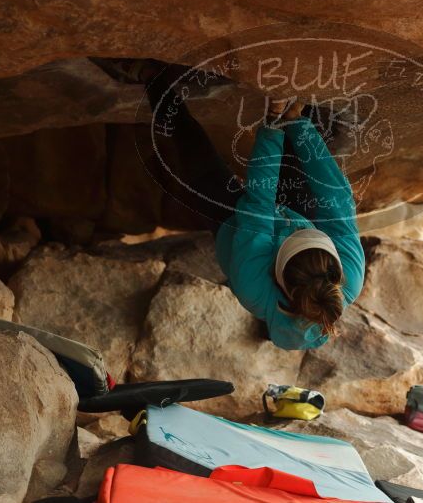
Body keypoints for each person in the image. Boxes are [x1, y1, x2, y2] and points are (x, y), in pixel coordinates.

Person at [95, 58, 365, 350]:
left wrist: (273, 126)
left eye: (289, 242)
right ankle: (303, 108)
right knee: (302, 162)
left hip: (233, 226)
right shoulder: (350, 273)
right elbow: (335, 195)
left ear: (277, 270)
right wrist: (298, 125)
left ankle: (151, 77)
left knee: (193, 151)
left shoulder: (253, 286)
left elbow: (259, 202)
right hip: (297, 215)